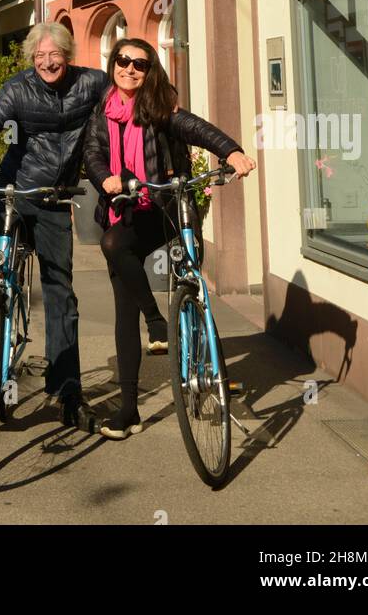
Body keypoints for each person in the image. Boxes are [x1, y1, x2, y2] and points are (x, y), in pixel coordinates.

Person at [82, 37, 257, 440]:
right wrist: (104, 177)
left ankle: (205, 362)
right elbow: (92, 153)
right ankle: (129, 406)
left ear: (150, 72)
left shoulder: (160, 108)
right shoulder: (101, 112)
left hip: (166, 210)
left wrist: (231, 152)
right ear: (113, 64)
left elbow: (195, 129)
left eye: (139, 65)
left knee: (190, 286)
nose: (129, 69)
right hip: (126, 210)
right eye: (122, 61)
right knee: (119, 272)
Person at [0, 22, 109, 432]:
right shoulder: (18, 89)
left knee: (60, 292)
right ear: (32, 60)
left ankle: (67, 391)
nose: (48, 62)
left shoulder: (92, 84)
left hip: (54, 196)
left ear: (68, 55)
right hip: (11, 191)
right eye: (40, 57)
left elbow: (128, 108)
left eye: (55, 55)